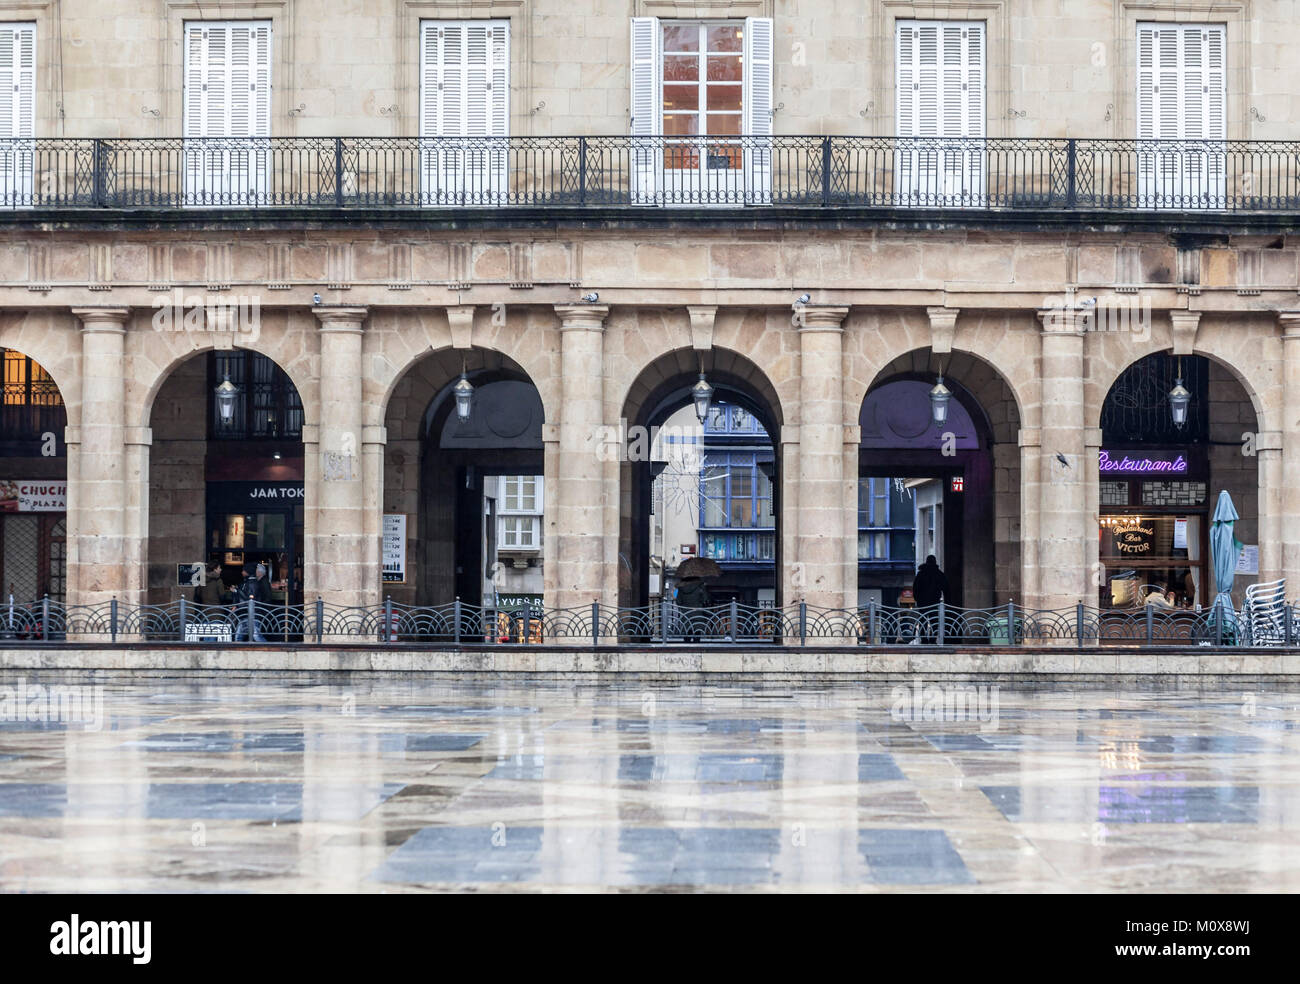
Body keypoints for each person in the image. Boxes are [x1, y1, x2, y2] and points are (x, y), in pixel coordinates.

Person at [912, 555, 949, 644]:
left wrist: (918, 599)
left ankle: (924, 639)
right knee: (934, 621)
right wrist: (947, 602)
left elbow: (915, 588)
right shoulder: (939, 574)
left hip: (923, 603)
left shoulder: (921, 574)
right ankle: (933, 639)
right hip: (934, 602)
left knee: (923, 621)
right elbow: (946, 588)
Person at [233, 562, 272, 643]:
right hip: (247, 612)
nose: (242, 572)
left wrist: (237, 591)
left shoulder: (252, 582)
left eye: (243, 570)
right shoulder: (249, 581)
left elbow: (250, 598)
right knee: (239, 637)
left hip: (252, 612)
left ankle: (268, 648)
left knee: (255, 635)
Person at [674, 576, 710, 642]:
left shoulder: (681, 588)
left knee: (687, 631)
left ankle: (686, 649)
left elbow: (678, 601)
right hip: (697, 612)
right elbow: (705, 599)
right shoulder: (700, 586)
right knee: (697, 631)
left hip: (686, 613)